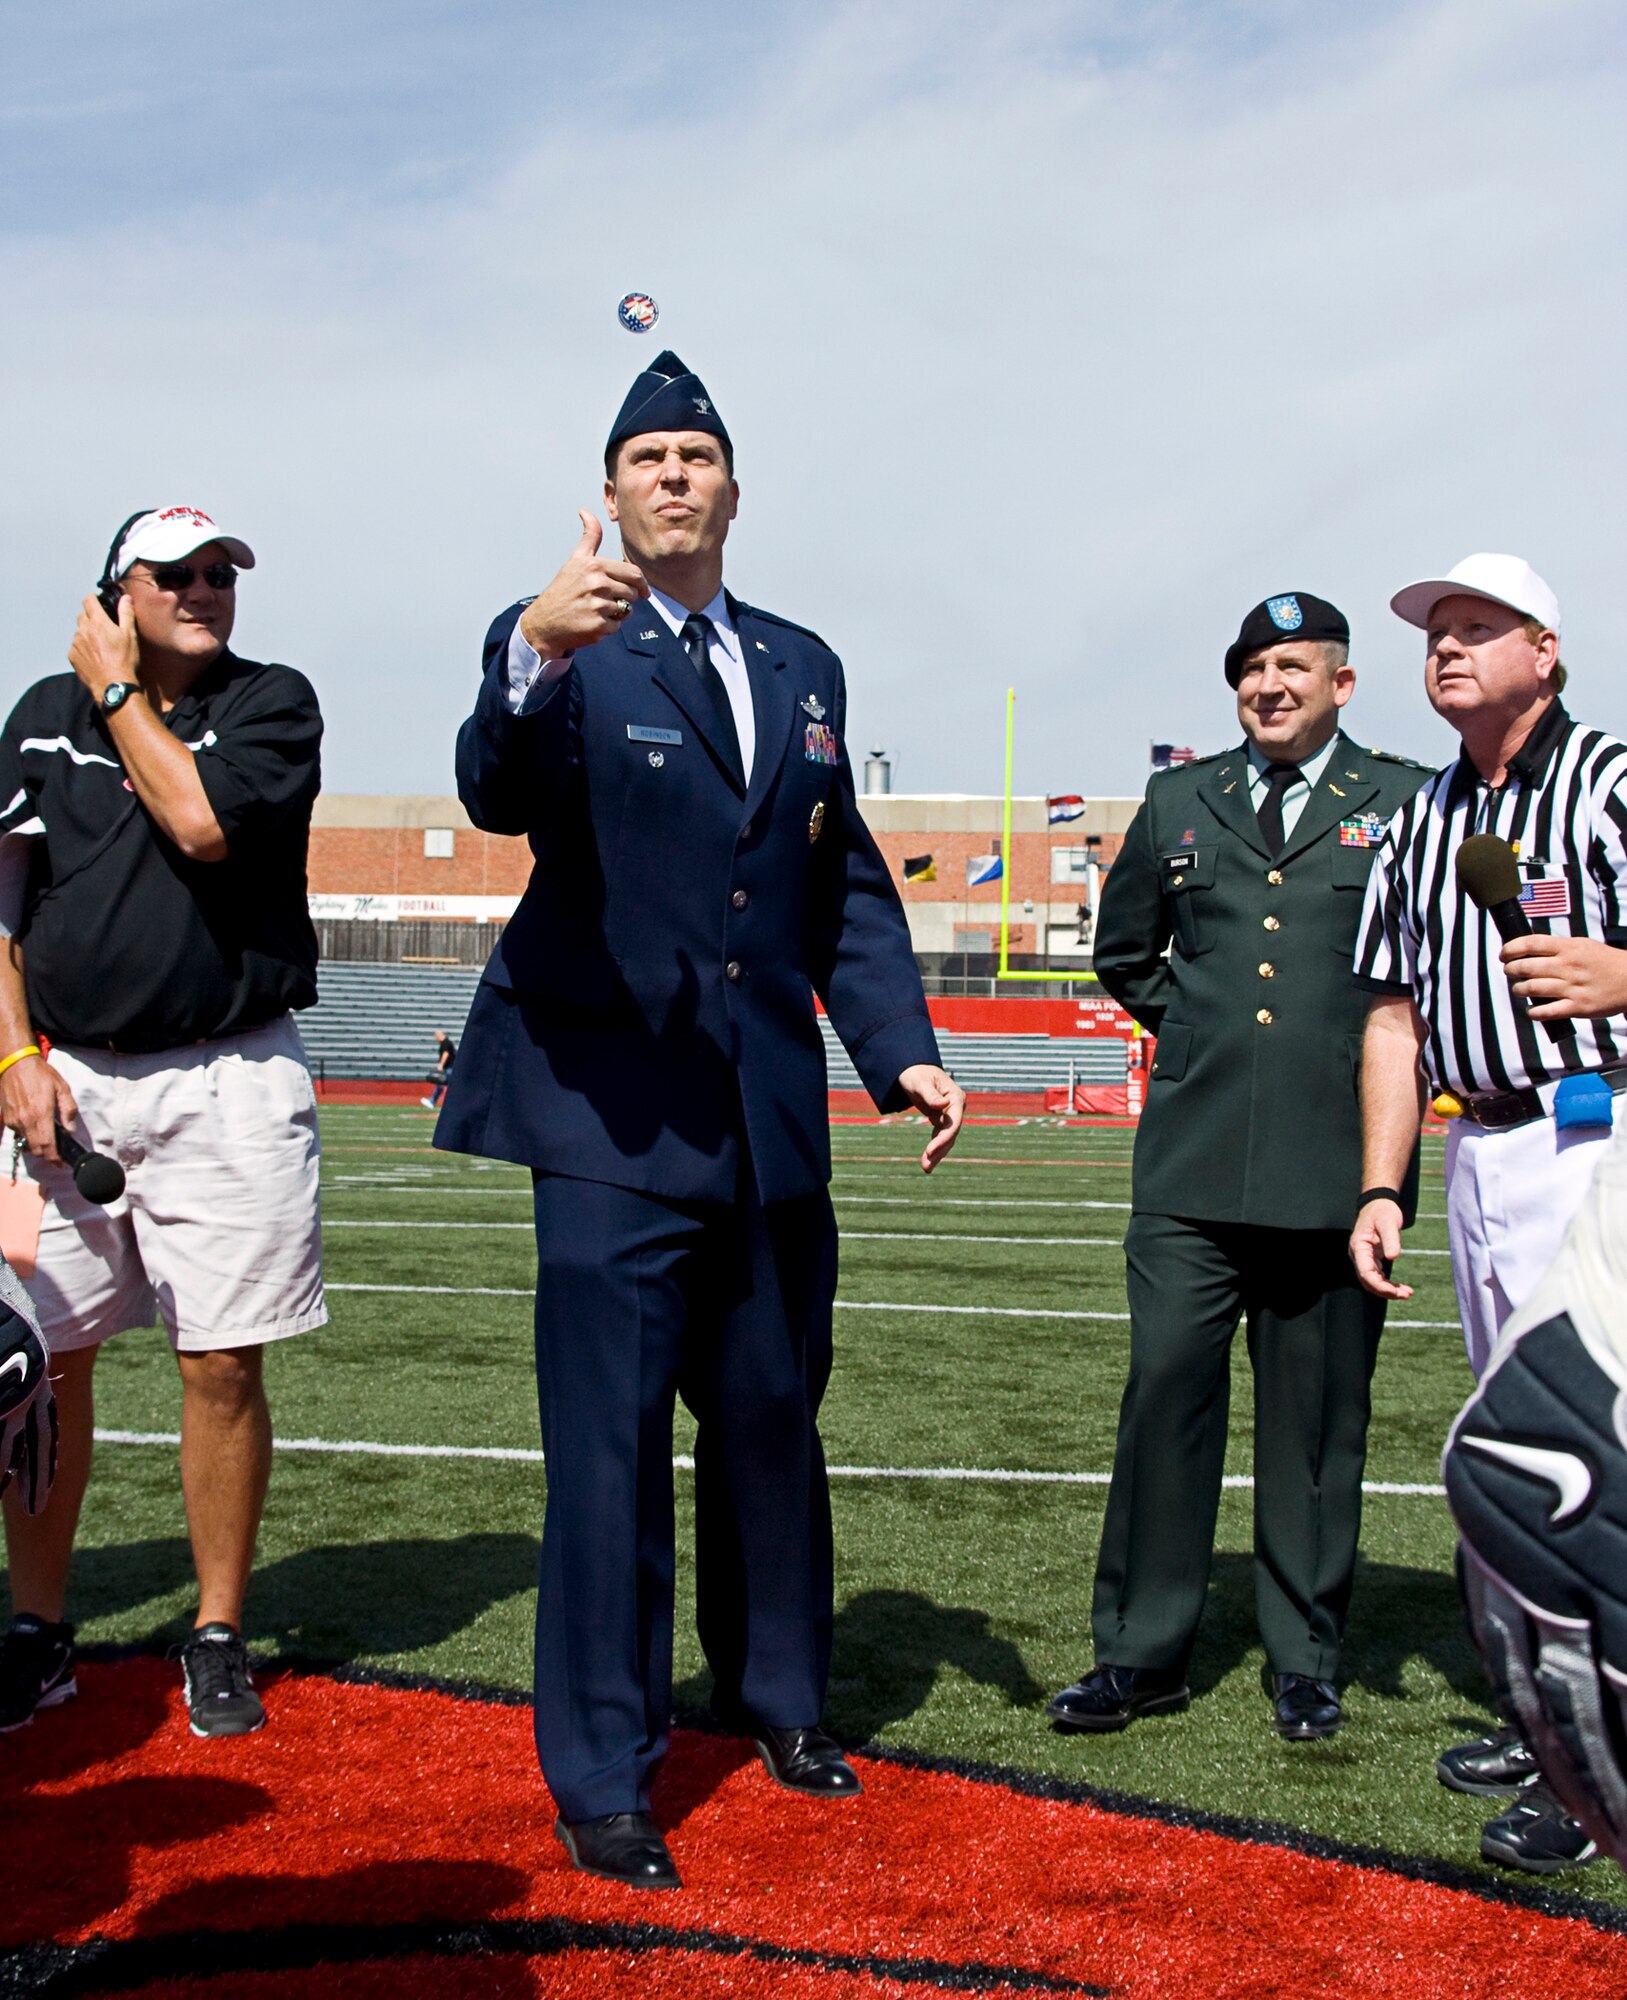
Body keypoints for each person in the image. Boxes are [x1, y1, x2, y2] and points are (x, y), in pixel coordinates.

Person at [437, 350, 964, 1891]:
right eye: (644, 456)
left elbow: (837, 877)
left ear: (732, 487)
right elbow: (496, 789)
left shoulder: (801, 663)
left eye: (696, 454)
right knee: (605, 1459)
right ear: (606, 493)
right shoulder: (559, 644)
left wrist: (901, 1050)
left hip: (767, 1116)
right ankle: (604, 1769)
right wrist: (530, 651)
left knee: (765, 1423)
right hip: (608, 1116)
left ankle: (777, 1697)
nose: (672, 475)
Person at [1050, 592, 1429, 1743]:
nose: (1269, 685)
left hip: (1332, 1166)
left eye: (1293, 666)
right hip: (1190, 1163)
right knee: (1164, 1390)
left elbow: (1426, 975)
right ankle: (1139, 1653)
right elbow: (1126, 951)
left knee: (1317, 1422)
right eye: (1252, 668)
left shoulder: (1406, 802)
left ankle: (1304, 1656)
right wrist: (1208, 1037)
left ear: (1342, 683)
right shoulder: (1178, 799)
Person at [0, 506, 326, 1739]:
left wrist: (121, 688)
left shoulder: (272, 701)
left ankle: (218, 1629)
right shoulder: (40, 710)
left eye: (216, 573)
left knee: (222, 1359)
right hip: (61, 1078)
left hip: (228, 1076)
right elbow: (2, 904)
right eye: (172, 573)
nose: (200, 589)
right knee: (33, 1365)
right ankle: (37, 1630)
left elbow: (196, 819)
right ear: (115, 590)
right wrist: (13, 1055)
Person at [1349, 551, 1627, 1874]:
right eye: (1433, 633)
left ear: (1544, 651)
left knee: (1601, 1454)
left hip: (1602, 1134)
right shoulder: (1420, 819)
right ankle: (1543, 1718)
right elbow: (1392, 1018)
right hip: (1480, 1151)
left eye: (1475, 628)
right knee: (1518, 1456)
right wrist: (1378, 1182)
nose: (1445, 650)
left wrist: (1621, 968)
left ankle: (1607, 1753)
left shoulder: (1612, 780)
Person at [421, 1028, 455, 1110]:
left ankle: (433, 1101)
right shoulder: (446, 1042)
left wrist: (441, 1065)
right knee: (441, 1085)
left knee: (447, 1085)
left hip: (450, 1067)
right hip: (449, 1067)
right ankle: (432, 1101)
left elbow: (445, 1054)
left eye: (436, 1037)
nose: (436, 1039)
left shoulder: (445, 1043)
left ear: (439, 1035)